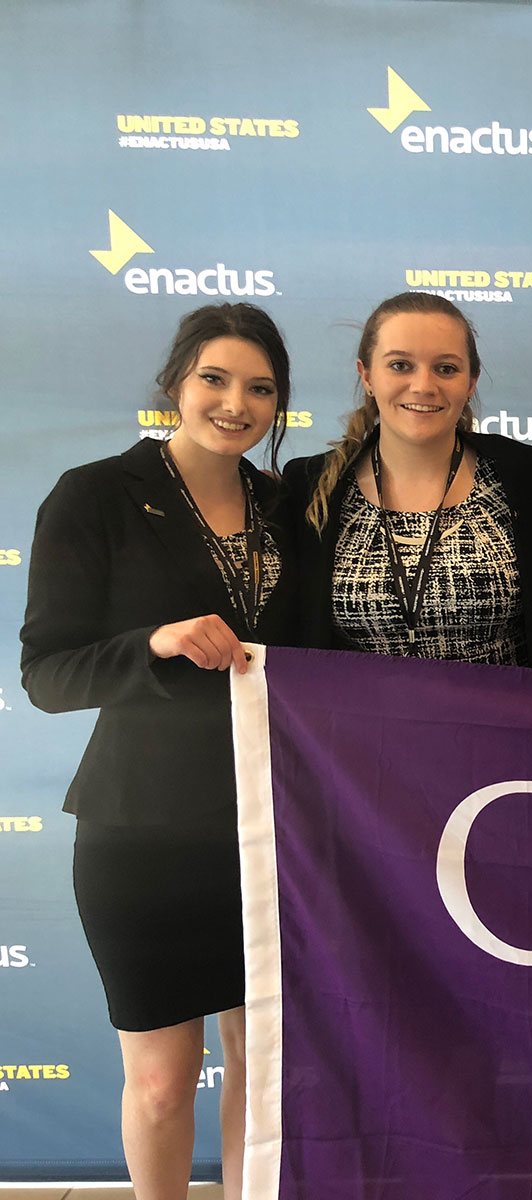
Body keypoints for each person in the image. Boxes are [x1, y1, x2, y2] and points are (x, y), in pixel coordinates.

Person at [20, 303, 296, 1200]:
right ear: (175, 382)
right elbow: (48, 676)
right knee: (163, 1078)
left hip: (268, 830)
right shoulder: (96, 493)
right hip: (141, 833)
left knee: (262, 1075)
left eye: (259, 388)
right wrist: (154, 643)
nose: (234, 402)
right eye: (215, 378)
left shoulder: (287, 506)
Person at [282, 292, 532, 666]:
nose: (423, 385)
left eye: (446, 368)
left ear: (471, 381)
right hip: (362, 722)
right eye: (400, 365)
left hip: (503, 719)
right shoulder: (311, 485)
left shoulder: (524, 473)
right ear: (366, 375)